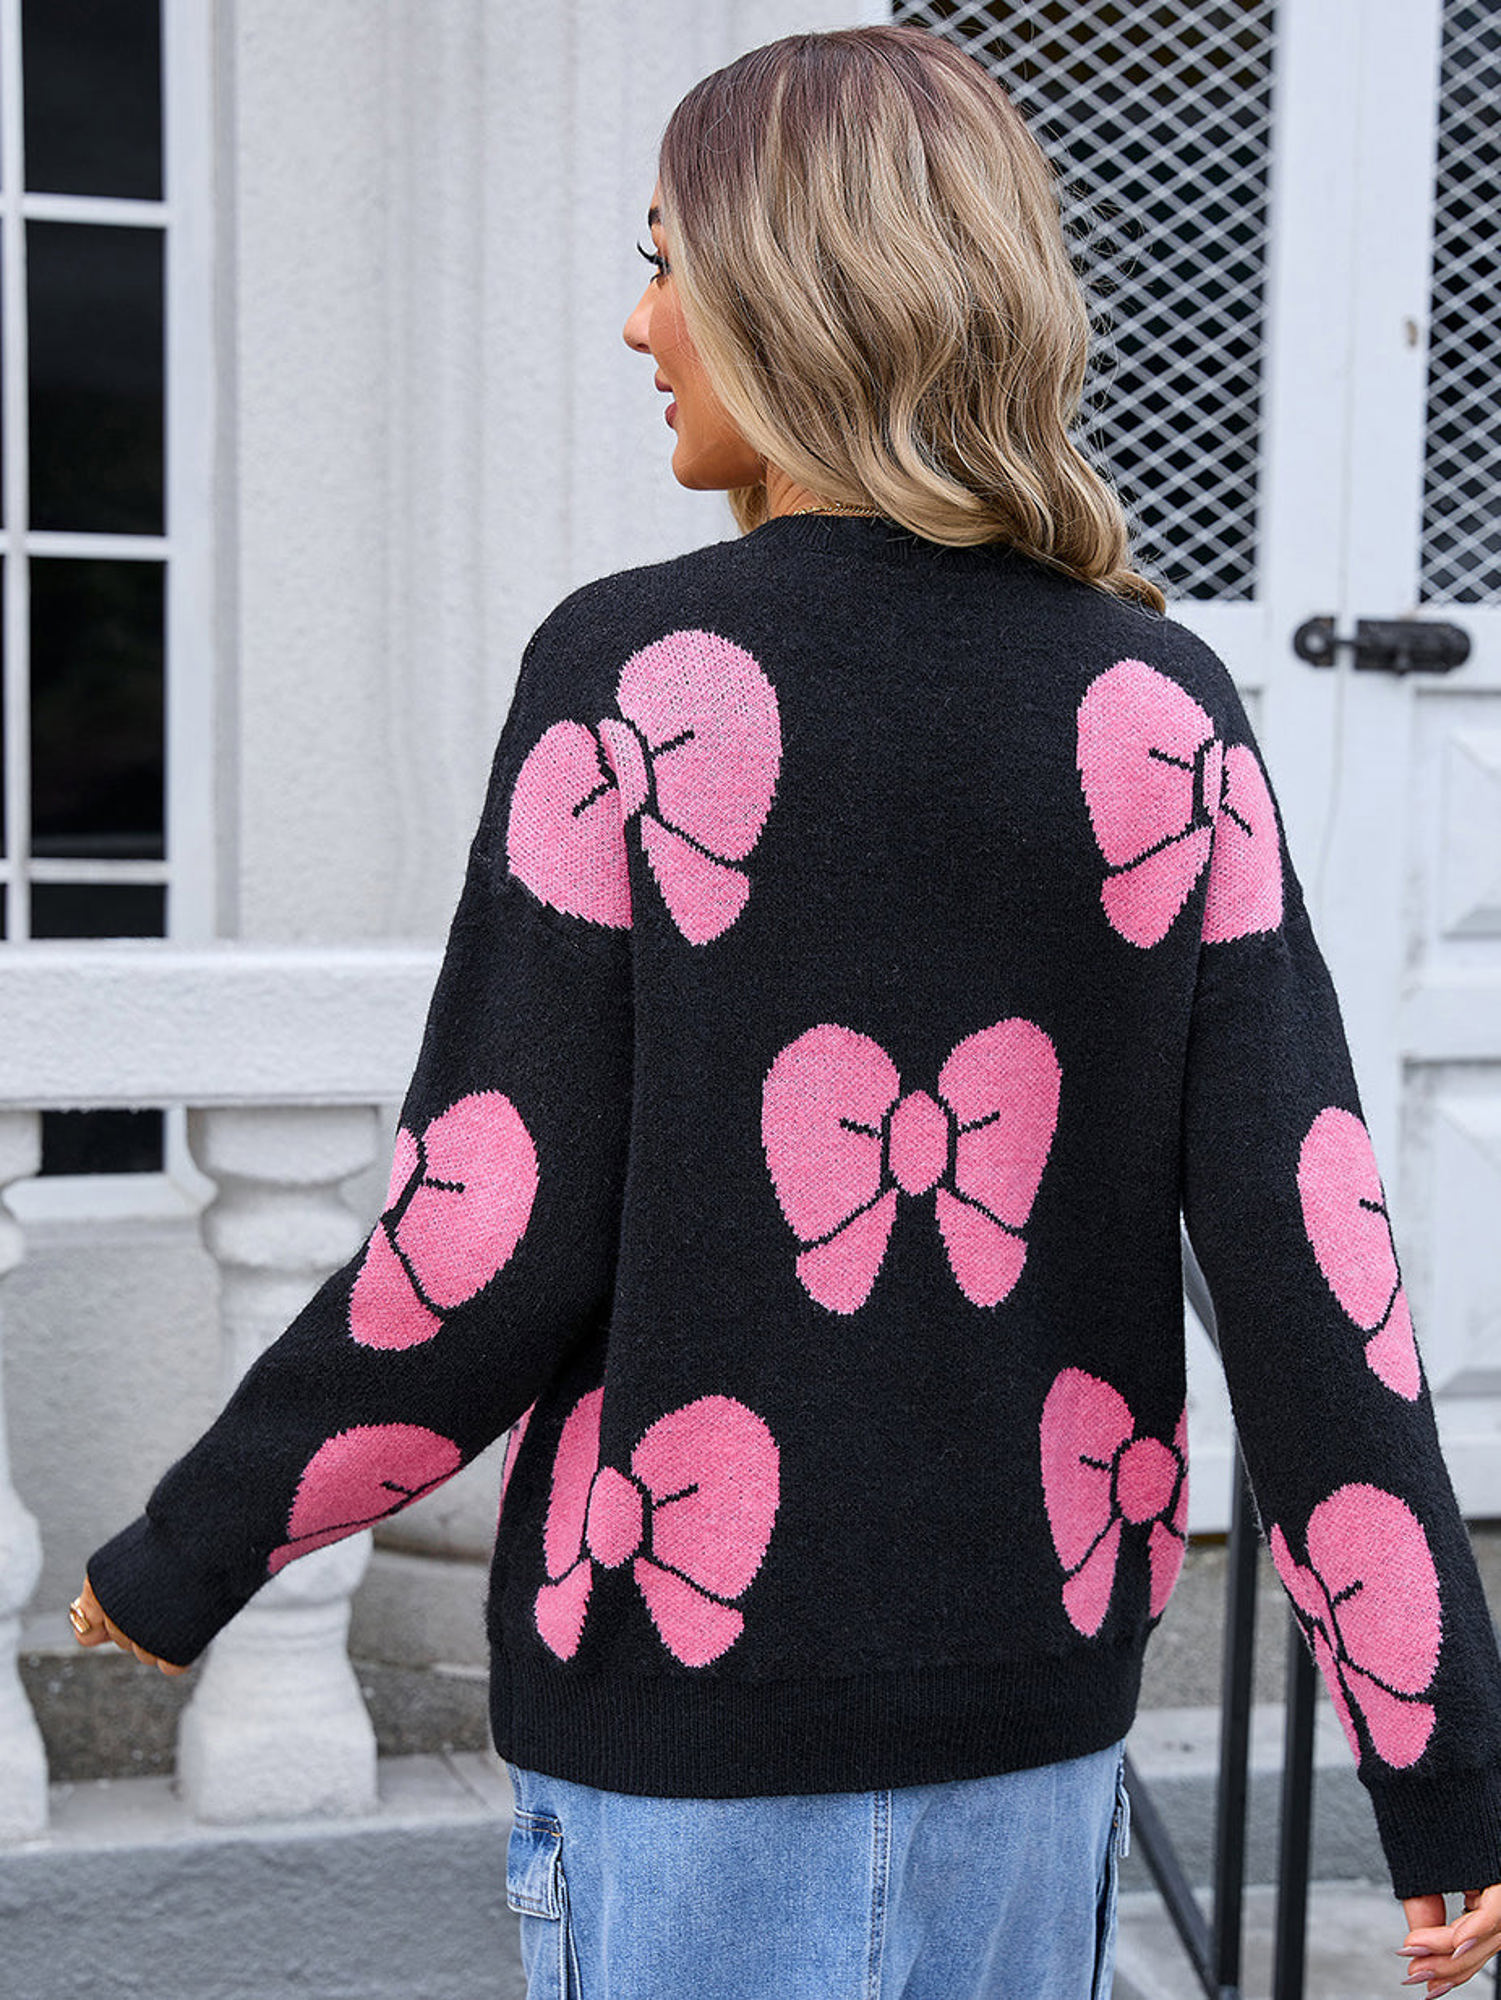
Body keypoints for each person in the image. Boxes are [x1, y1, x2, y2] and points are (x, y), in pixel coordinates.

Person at [71, 24, 1501, 1998]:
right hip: (1030, 1725)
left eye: (666, 263)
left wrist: (189, 1549)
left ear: (794, 288)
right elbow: (1305, 1252)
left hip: (688, 1725)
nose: (637, 325)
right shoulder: (1156, 709)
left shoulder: (634, 679)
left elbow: (482, 1243)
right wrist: (1445, 1767)